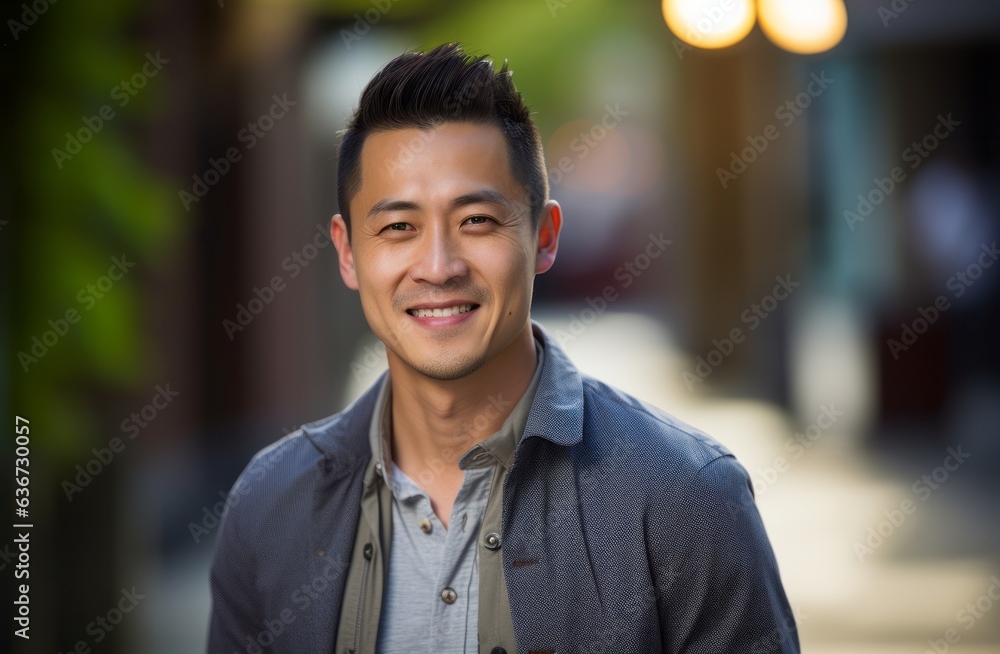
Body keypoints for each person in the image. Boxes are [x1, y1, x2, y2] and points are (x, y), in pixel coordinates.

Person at [208, 42, 800, 654]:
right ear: (348, 252)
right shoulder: (270, 505)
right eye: (398, 228)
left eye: (477, 222)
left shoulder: (685, 496)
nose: (438, 266)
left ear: (544, 237)